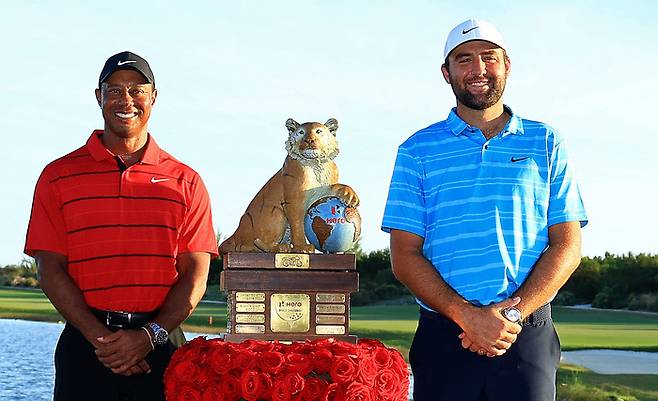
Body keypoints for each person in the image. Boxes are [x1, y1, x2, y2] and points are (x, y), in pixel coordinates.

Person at [382, 19, 588, 401]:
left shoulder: (546, 142)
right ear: (446, 73)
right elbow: (404, 255)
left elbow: (567, 246)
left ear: (506, 65)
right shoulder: (416, 150)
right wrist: (467, 316)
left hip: (525, 336)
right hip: (444, 337)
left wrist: (510, 315)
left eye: (488, 58)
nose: (477, 69)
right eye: (463, 60)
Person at [24, 51, 218, 401]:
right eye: (114, 90)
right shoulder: (57, 176)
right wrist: (101, 340)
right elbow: (50, 269)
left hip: (161, 346)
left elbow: (195, 276)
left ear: (154, 97)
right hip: (85, 346)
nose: (125, 100)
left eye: (136, 90)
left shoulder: (186, 181)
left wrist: (147, 337)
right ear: (98, 97)